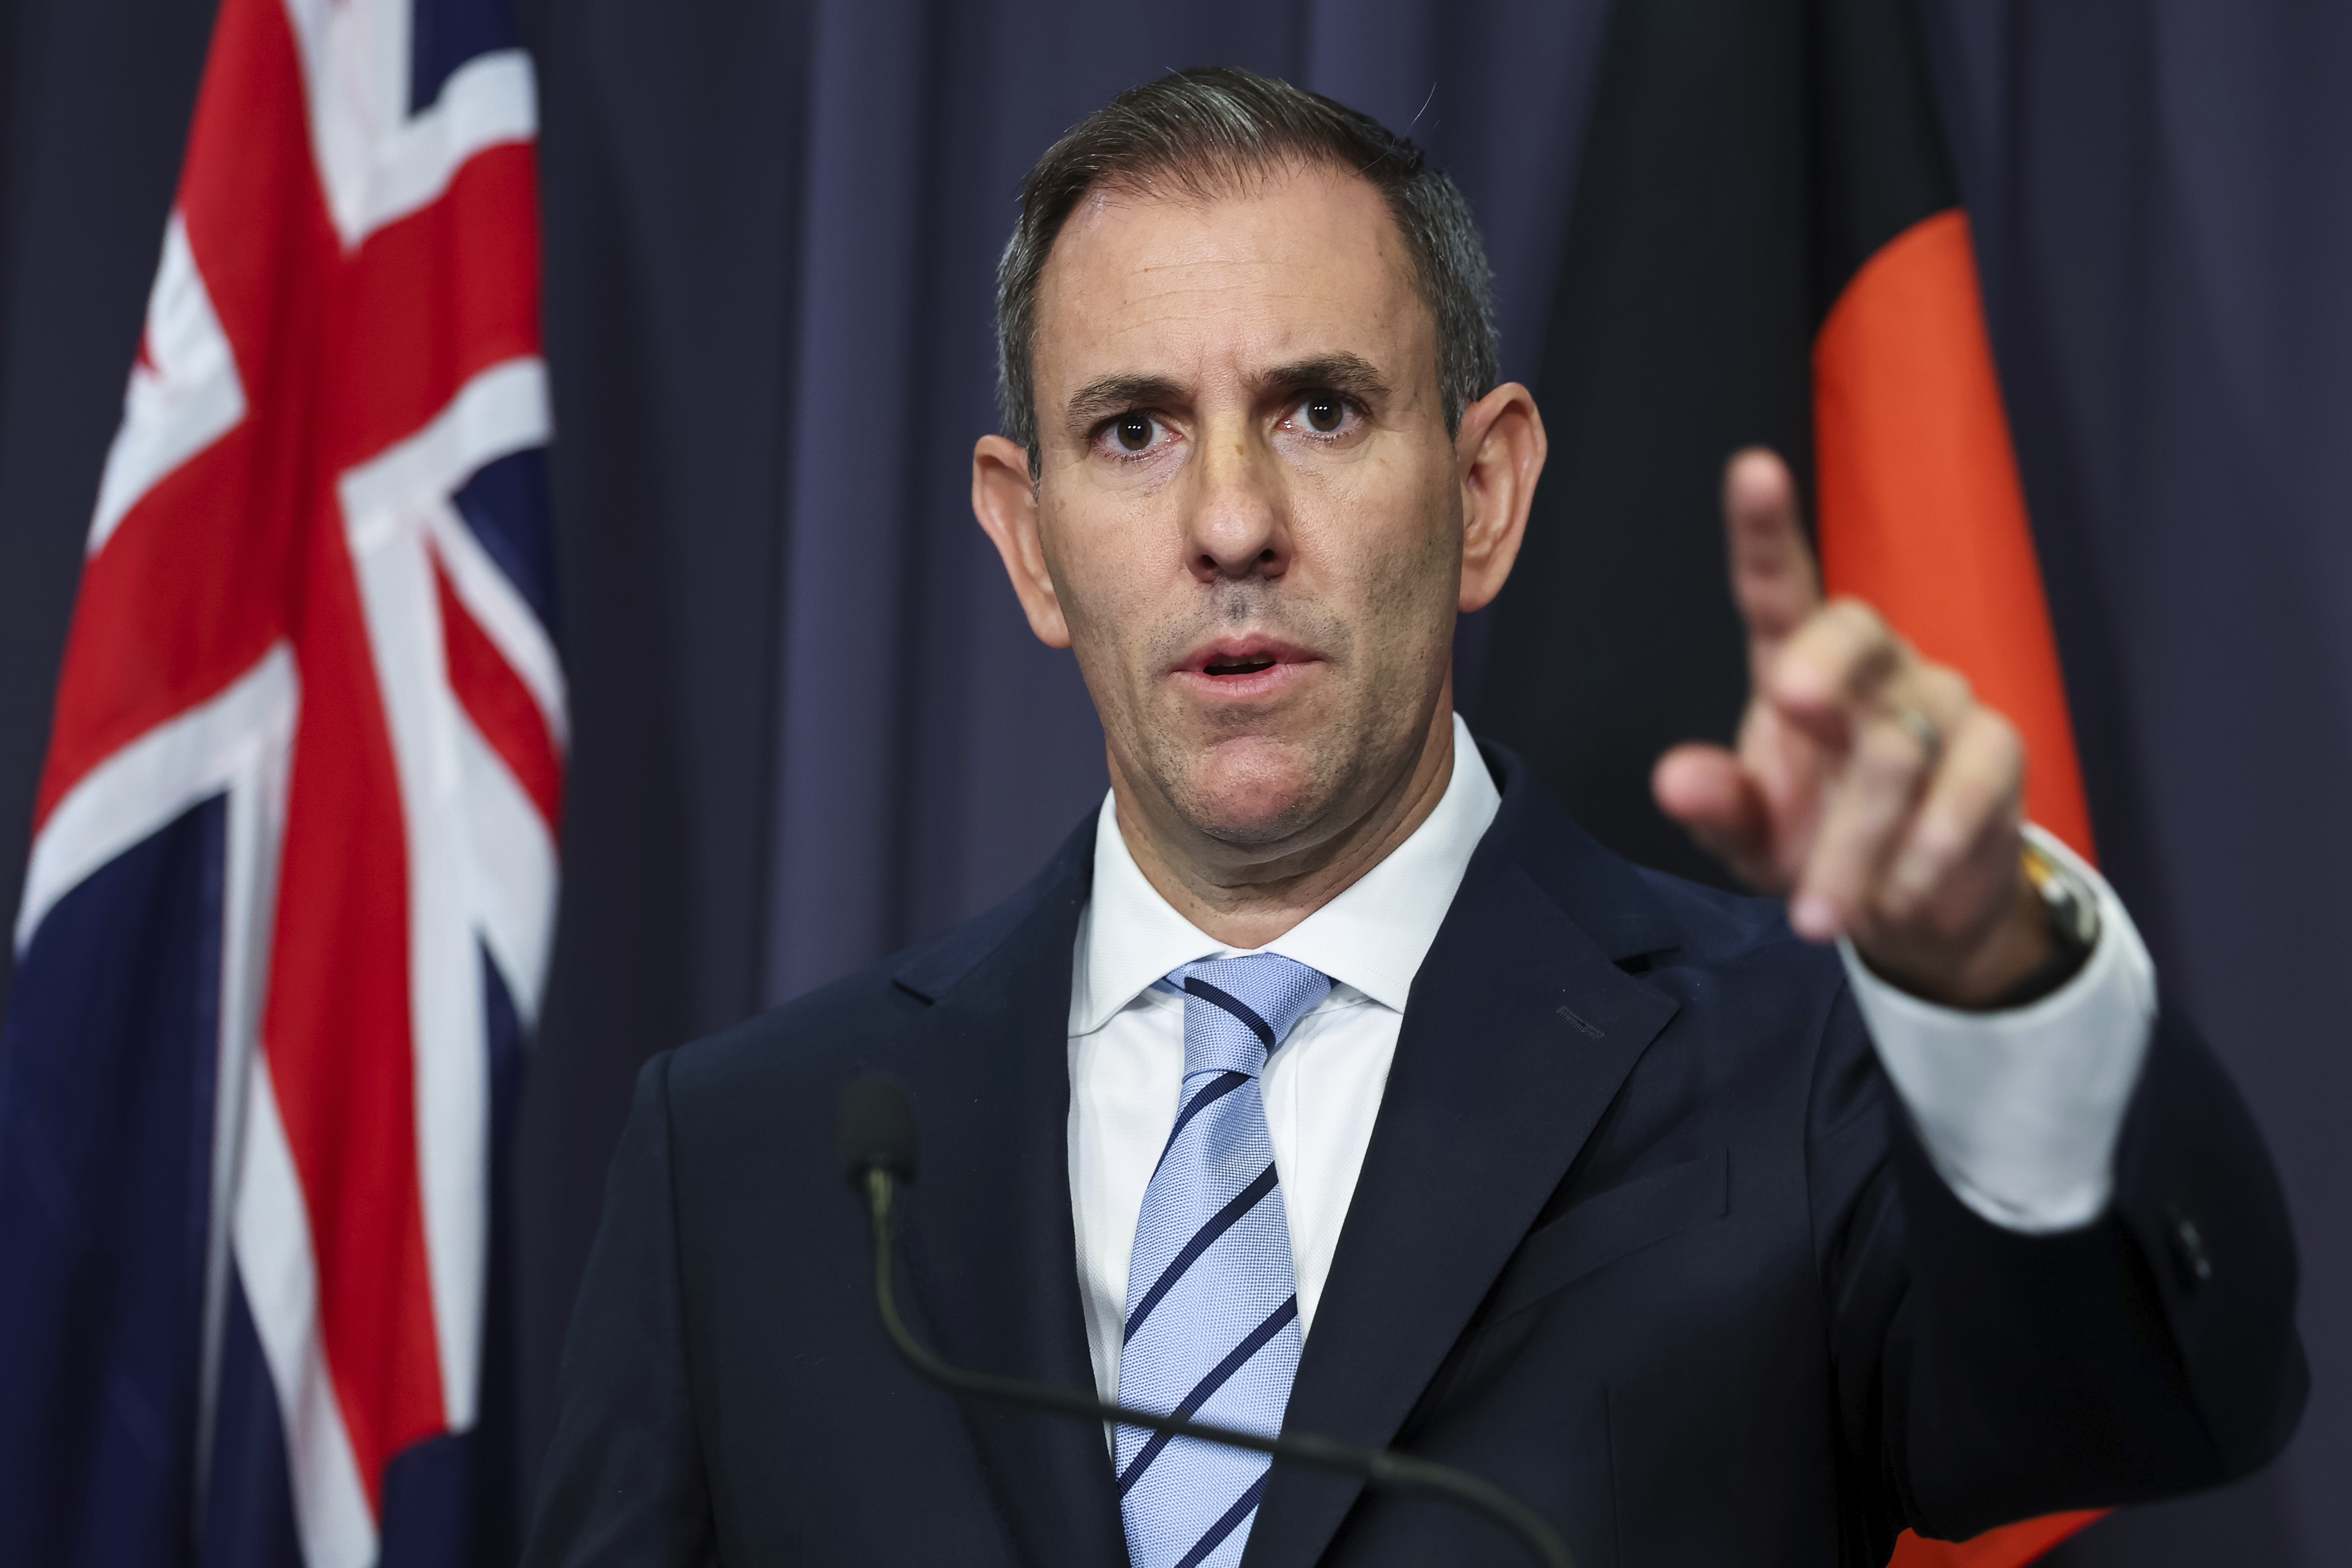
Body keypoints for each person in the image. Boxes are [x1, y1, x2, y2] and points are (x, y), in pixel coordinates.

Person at [523, 68, 2302, 1568]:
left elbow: (2148, 1390)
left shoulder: (1805, 1072)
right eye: (1136, 429)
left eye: (1317, 409)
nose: (1230, 522)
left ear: (1483, 493)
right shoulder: (755, 1162)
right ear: (1028, 536)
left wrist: (1998, 977)